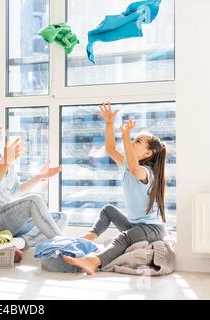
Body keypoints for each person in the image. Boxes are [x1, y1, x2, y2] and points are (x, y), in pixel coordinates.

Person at [63, 102, 167, 274]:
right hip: (135, 226)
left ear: (147, 154)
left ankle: (93, 261)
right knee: (108, 210)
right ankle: (91, 235)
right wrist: (109, 124)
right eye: (133, 140)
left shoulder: (147, 173)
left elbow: (135, 170)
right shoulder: (128, 164)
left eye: (137, 141)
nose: (133, 142)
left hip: (151, 230)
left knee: (123, 238)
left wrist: (126, 137)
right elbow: (111, 149)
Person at [0, 111, 68, 263]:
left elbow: (15, 191)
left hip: (3, 220)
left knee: (60, 217)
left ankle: (16, 244)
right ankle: (66, 246)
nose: (0, 126)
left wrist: (40, 176)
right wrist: (6, 162)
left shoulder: (1, 157)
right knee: (34, 201)